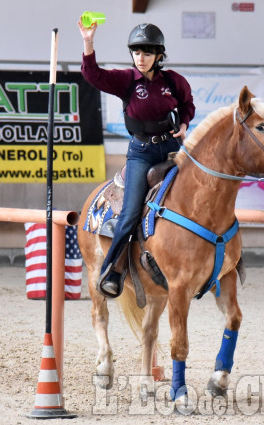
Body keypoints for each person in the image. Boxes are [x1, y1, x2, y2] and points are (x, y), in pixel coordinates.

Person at [78, 19, 195, 298]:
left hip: (171, 149)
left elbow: (187, 104)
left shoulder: (174, 81)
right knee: (131, 213)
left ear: (158, 55)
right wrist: (88, 42)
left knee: (200, 194)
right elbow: (92, 75)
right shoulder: (126, 80)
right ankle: (113, 272)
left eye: (146, 53)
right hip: (141, 153)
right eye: (136, 52)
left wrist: (185, 123)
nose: (140, 58)